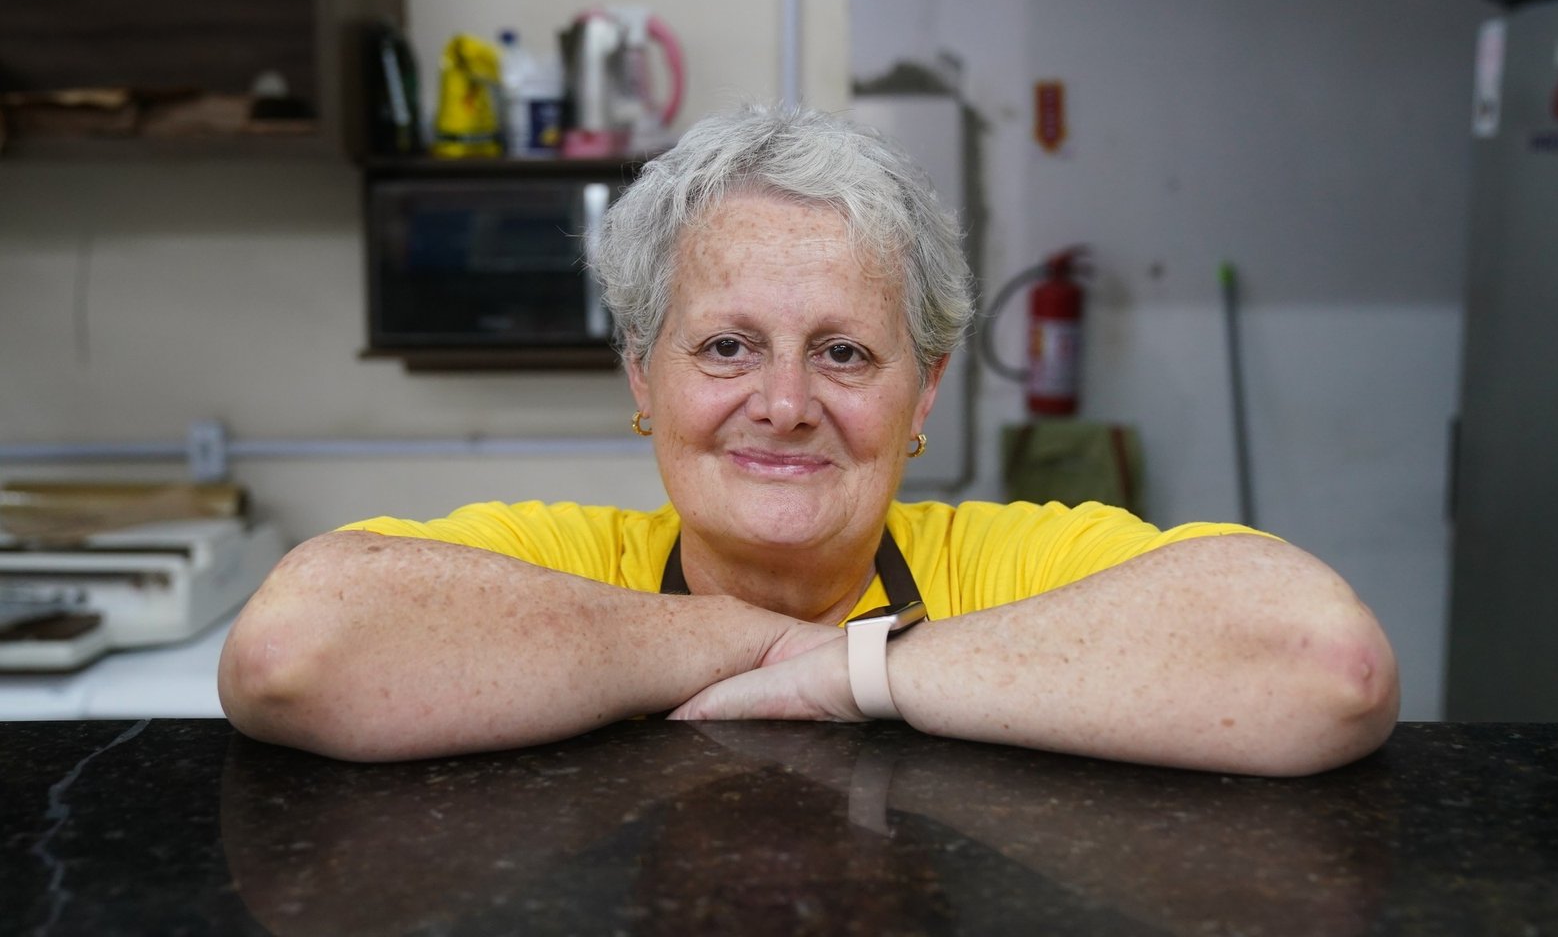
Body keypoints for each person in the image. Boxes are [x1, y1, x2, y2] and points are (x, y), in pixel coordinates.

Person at [219, 103, 1399, 773]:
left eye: (844, 353)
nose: (784, 402)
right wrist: (729, 634)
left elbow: (1323, 666)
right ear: (643, 372)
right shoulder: (554, 560)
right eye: (726, 347)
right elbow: (293, 653)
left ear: (925, 391)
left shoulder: (1009, 571)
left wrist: (859, 667)